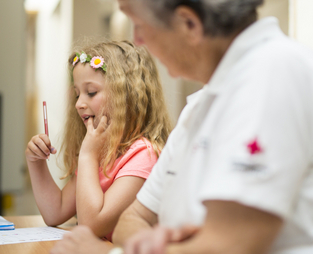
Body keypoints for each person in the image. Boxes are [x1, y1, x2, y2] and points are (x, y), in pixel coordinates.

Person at [50, 0, 313, 253]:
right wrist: (165, 246)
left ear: (189, 24)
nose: (139, 40)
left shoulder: (273, 75)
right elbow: (131, 221)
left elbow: (230, 246)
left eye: (140, 24)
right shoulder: (199, 108)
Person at [26, 40, 172, 241]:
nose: (78, 104)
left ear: (127, 95)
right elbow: (55, 212)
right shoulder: (103, 153)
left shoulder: (144, 155)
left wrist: (87, 156)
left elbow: (91, 225)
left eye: (91, 92)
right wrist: (36, 162)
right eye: (77, 94)